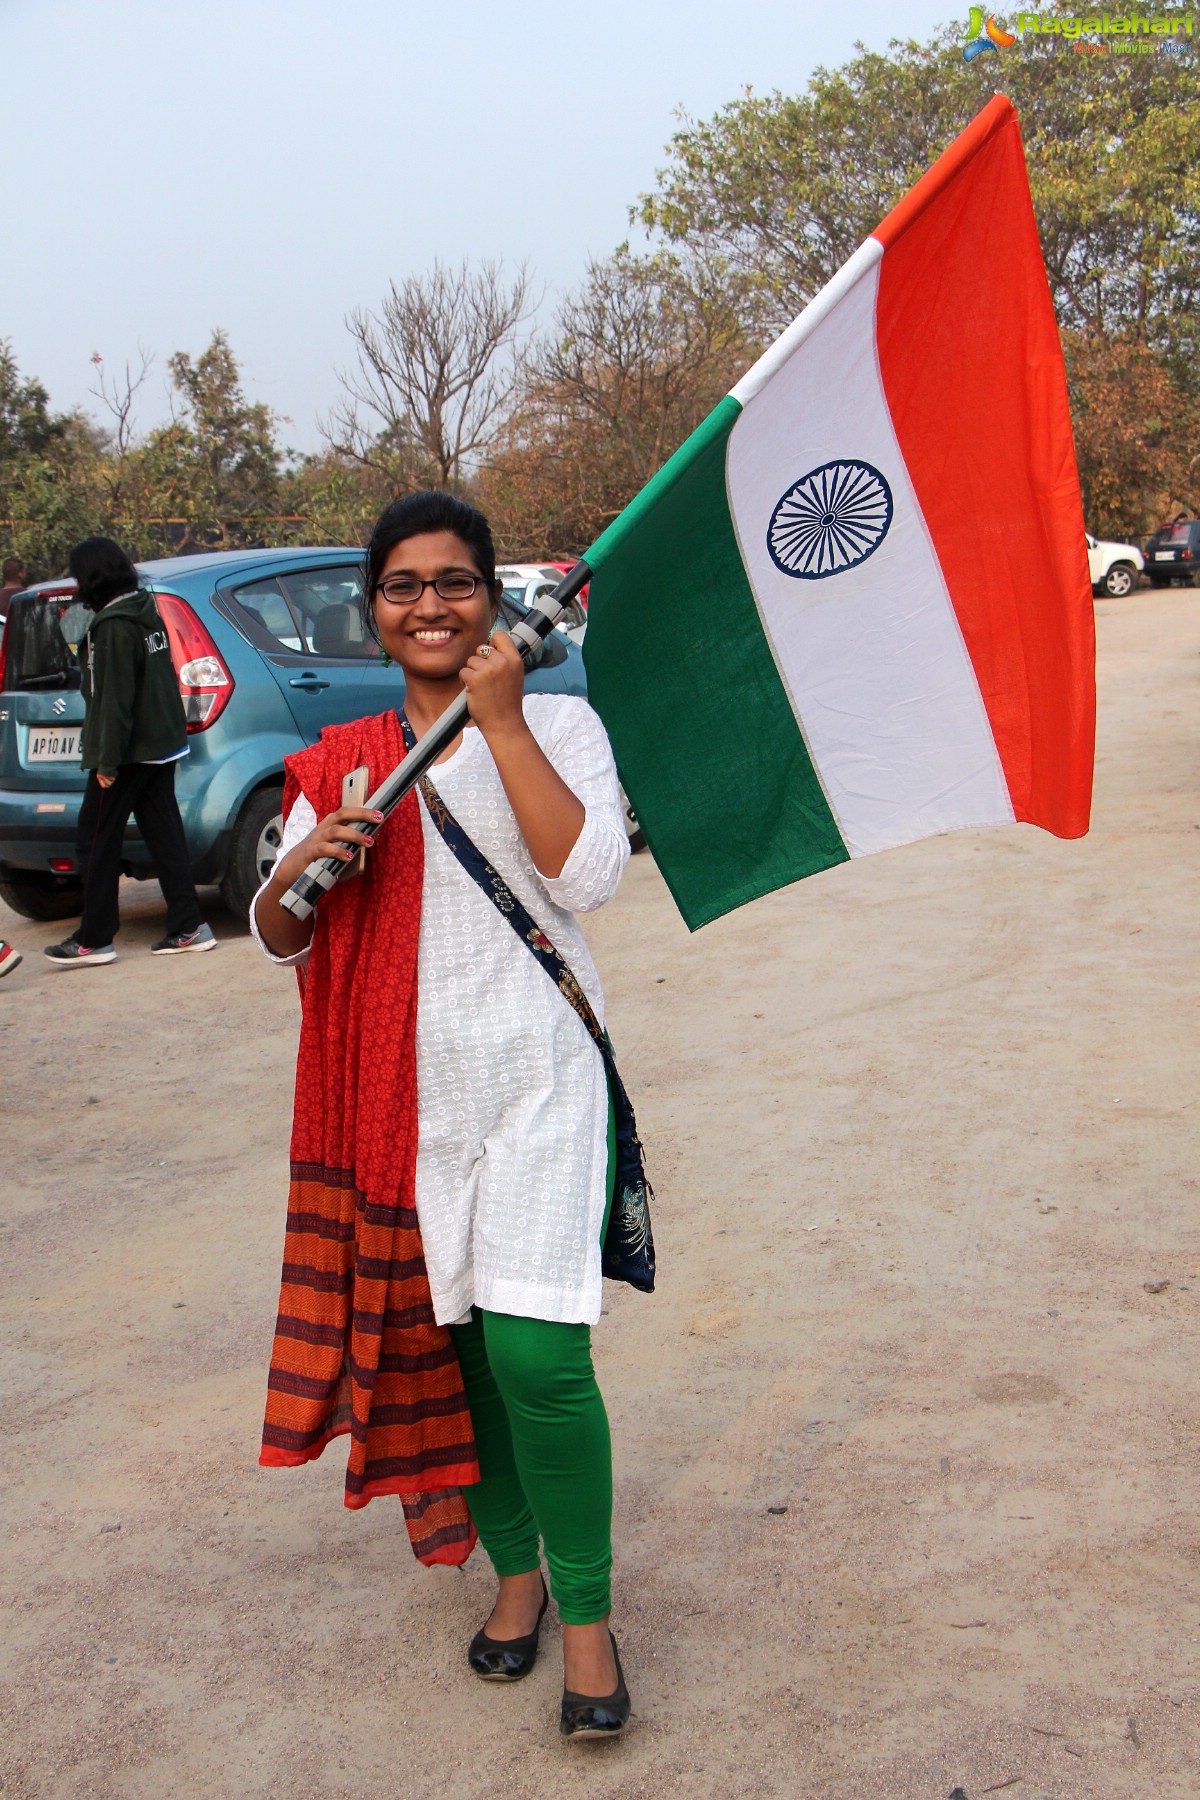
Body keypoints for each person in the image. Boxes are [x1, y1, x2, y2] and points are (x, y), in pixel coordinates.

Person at [252, 491, 638, 1741]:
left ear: (492, 594)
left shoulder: (560, 722)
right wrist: (311, 869)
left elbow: (587, 876)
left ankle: (588, 1620)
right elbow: (274, 930)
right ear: (375, 611)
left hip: (536, 1080)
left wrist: (503, 723)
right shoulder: (344, 762)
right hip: (410, 1103)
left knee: (538, 1354)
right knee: (460, 1359)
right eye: (404, 585)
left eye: (455, 581)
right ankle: (514, 1577)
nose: (431, 604)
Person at [44, 538, 216, 968]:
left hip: (127, 753)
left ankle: (94, 938)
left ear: (91, 577)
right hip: (160, 745)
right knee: (165, 836)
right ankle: (188, 926)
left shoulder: (113, 626)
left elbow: (113, 699)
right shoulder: (146, 611)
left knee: (95, 840)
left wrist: (106, 761)